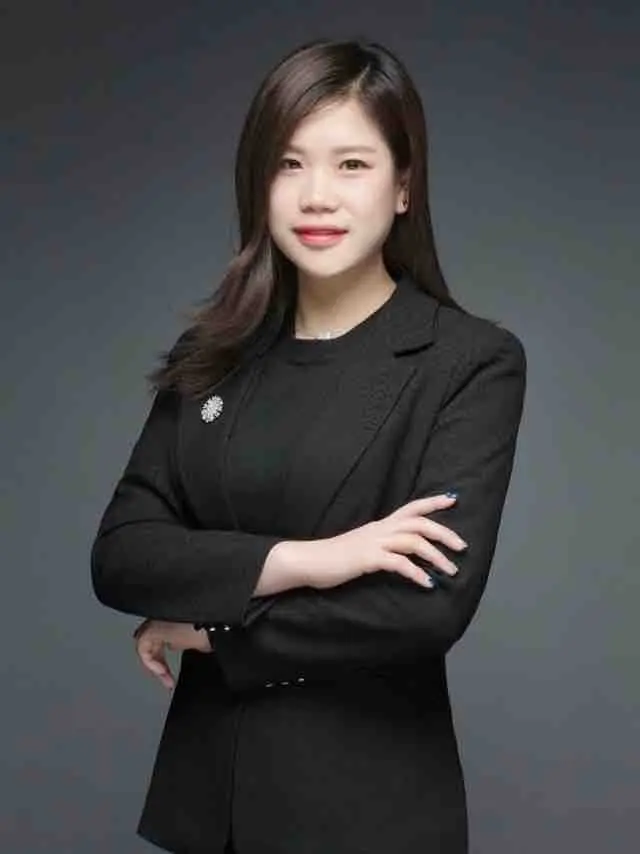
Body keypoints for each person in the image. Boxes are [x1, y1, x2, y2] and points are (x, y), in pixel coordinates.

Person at [90, 37, 526, 854]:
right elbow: (121, 556)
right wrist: (305, 561)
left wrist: (210, 630)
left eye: (352, 165)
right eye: (288, 164)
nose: (316, 195)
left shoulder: (468, 361)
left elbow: (422, 606)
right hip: (208, 808)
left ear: (404, 185)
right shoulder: (210, 356)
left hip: (367, 815)